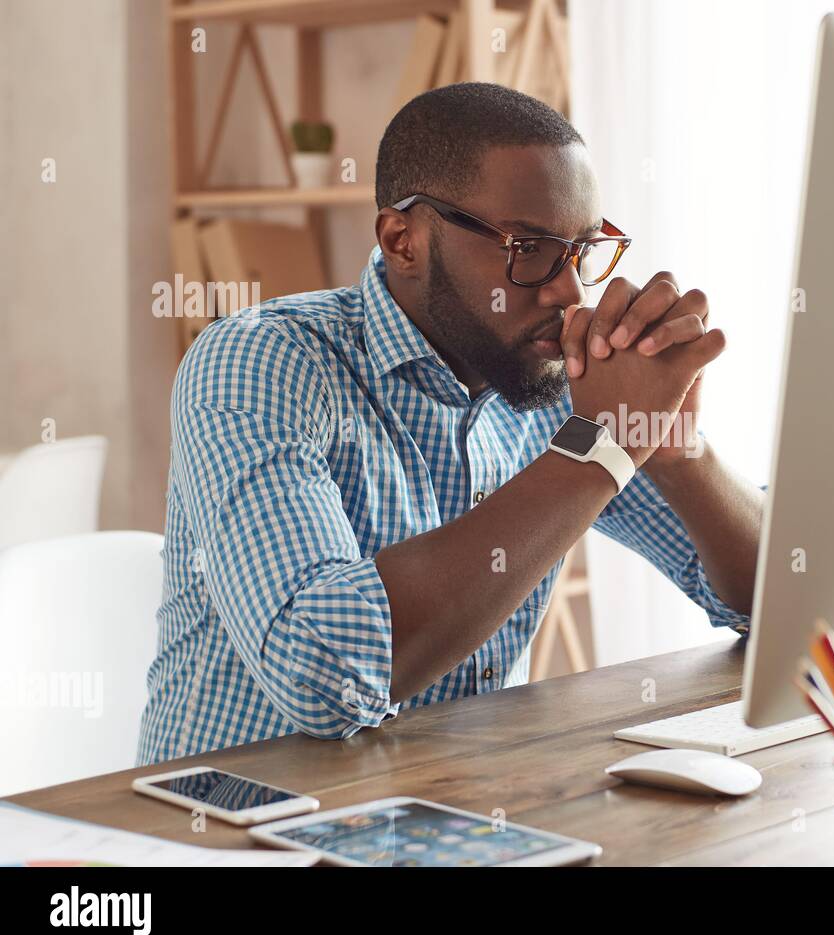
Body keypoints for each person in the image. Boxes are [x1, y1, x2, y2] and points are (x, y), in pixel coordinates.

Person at [138, 82, 763, 764]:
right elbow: (323, 676)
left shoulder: (550, 378)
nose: (568, 292)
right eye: (527, 248)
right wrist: (599, 452)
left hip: (460, 811)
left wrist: (676, 451)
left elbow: (780, 601)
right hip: (238, 833)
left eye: (582, 250)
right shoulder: (259, 360)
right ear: (403, 239)